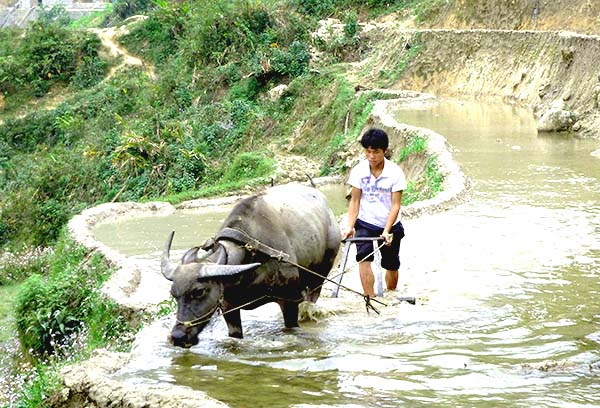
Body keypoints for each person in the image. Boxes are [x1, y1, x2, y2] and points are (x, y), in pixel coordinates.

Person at [342, 128, 407, 297]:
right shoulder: (359, 171)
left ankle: (391, 295)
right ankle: (370, 299)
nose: (371, 156)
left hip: (390, 224)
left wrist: (386, 231)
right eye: (368, 152)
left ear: (384, 151)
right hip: (365, 222)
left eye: (376, 152)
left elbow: (395, 205)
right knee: (363, 259)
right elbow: (355, 201)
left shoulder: (395, 173)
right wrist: (349, 226)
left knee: (391, 264)